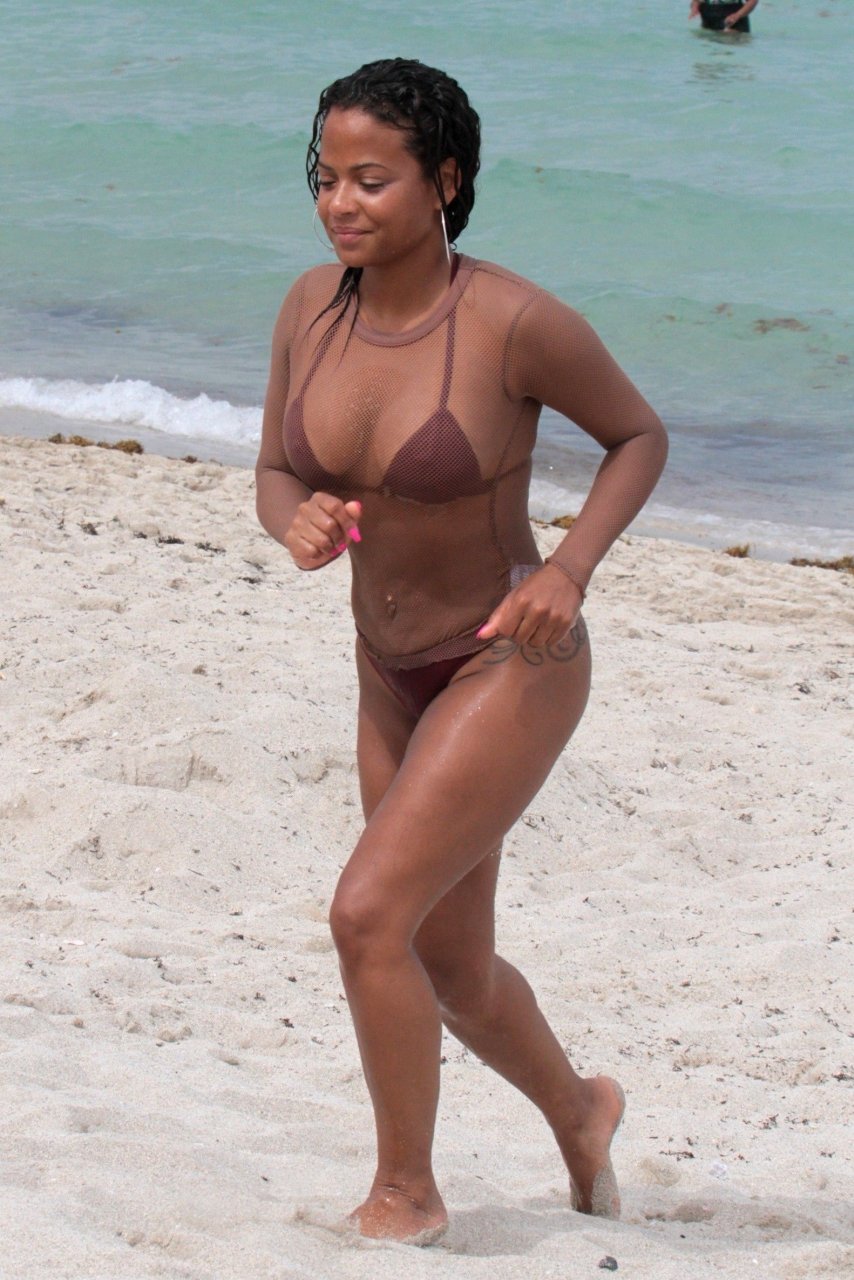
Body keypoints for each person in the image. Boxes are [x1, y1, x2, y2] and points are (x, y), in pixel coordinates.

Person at [256, 58, 668, 1246]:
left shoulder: (511, 322)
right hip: (384, 672)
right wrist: (291, 516)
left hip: (506, 661)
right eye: (326, 176)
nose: (339, 202)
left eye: (370, 179)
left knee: (365, 913)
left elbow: (636, 436)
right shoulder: (308, 307)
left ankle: (406, 1190)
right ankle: (580, 1108)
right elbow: (276, 464)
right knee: (450, 964)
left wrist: (566, 568)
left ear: (444, 180)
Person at [690, 0, 758, 33]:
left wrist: (738, 15)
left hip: (733, 23)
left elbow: (752, 1)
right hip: (709, 24)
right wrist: (695, 7)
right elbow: (697, 1)